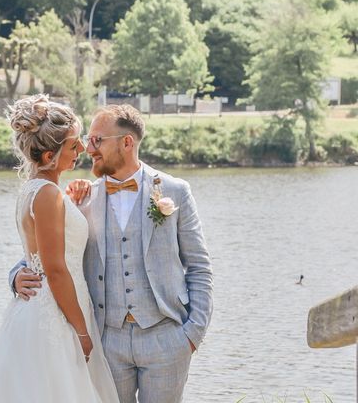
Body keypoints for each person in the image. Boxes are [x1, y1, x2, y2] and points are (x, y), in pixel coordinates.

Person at [12, 104, 213, 403]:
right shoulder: (81, 197)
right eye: (86, 140)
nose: (88, 148)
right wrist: (16, 275)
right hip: (105, 341)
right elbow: (48, 250)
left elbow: (198, 267)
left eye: (97, 140)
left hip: (166, 339)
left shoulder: (176, 190)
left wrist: (192, 335)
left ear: (127, 143)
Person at [0, 94, 120, 402]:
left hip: (51, 308)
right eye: (74, 146)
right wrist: (83, 334)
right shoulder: (47, 195)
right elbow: (56, 270)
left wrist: (75, 198)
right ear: (49, 157)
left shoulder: (40, 190)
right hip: (55, 315)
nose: (82, 149)